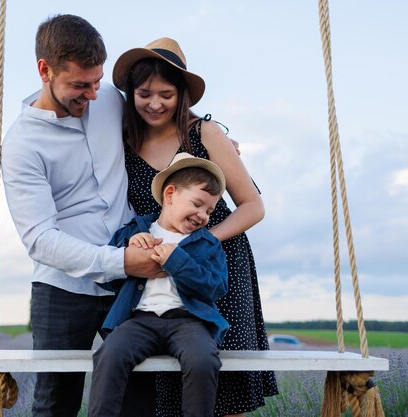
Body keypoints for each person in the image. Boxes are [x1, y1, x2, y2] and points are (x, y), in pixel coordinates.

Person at [0, 15, 163, 417]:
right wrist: (120, 261)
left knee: (140, 400)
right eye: (79, 85)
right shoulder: (21, 146)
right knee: (56, 403)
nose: (92, 94)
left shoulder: (108, 99)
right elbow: (39, 238)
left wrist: (208, 136)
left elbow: (161, 117)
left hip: (128, 285)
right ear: (44, 70)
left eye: (97, 81)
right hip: (61, 291)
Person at [111, 37, 279, 416]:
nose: (155, 103)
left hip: (219, 264)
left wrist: (201, 241)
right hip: (156, 275)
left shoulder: (204, 133)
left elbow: (253, 206)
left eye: (166, 94)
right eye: (144, 93)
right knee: (169, 386)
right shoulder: (122, 141)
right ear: (131, 95)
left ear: (182, 94)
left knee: (228, 383)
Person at [88, 153, 230, 417]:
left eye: (209, 211)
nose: (202, 215)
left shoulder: (208, 244)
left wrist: (178, 262)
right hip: (139, 321)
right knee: (110, 354)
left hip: (188, 322)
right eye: (197, 204)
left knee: (202, 360)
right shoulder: (137, 231)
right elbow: (109, 275)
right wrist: (128, 248)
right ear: (170, 194)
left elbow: (216, 287)